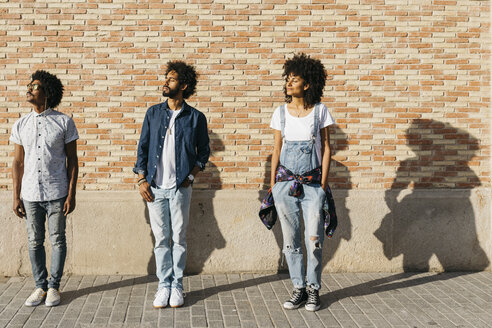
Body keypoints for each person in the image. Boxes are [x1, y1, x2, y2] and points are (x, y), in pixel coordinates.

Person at [134, 61, 210, 309]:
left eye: (172, 79)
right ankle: (163, 285)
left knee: (178, 238)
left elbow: (203, 154)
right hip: (155, 187)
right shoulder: (153, 113)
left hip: (180, 188)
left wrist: (190, 177)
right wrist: (141, 179)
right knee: (161, 239)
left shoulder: (196, 117)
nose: (166, 82)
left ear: (184, 85)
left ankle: (177, 285)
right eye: (166, 78)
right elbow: (142, 149)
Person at [269, 53, 335, 311]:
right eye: (288, 78)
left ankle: (314, 289)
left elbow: (328, 148)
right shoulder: (280, 113)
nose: (289, 82)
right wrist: (273, 184)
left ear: (307, 84)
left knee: (314, 239)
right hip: (285, 185)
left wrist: (323, 183)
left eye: (294, 79)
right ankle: (298, 288)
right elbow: (276, 150)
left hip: (313, 185)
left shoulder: (320, 112)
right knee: (290, 240)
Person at [10, 70, 79, 307]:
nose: (29, 89)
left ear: (47, 92)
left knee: (58, 239)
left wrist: (72, 194)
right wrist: (15, 196)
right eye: (29, 85)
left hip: (57, 193)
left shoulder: (64, 122)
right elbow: (18, 162)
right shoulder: (21, 124)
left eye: (35, 86)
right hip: (30, 194)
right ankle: (40, 286)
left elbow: (73, 161)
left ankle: (54, 287)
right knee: (34, 241)